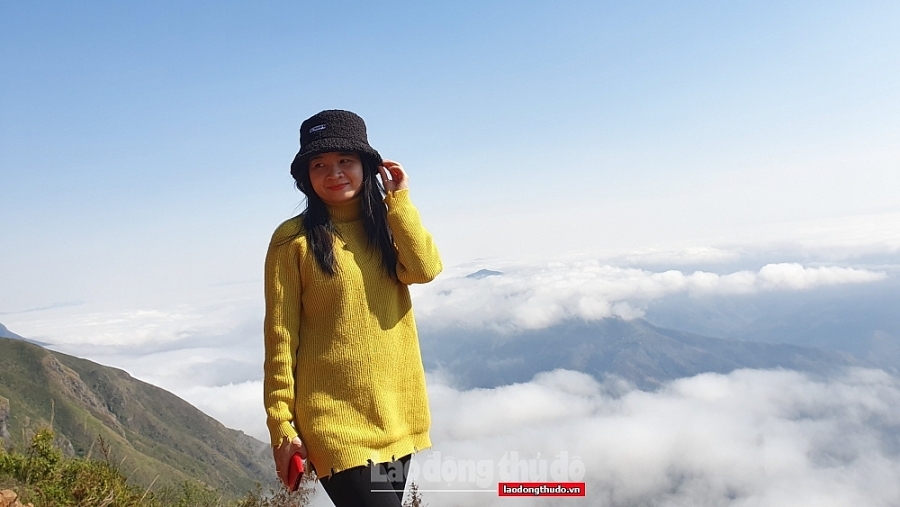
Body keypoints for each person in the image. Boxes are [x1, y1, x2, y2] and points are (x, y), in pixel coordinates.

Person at [263, 109, 442, 507]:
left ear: (366, 166)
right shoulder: (292, 240)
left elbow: (425, 269)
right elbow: (280, 337)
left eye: (345, 160)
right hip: (334, 423)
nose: (334, 173)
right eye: (319, 164)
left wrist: (399, 201)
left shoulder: (388, 225)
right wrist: (281, 425)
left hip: (397, 414)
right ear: (306, 176)